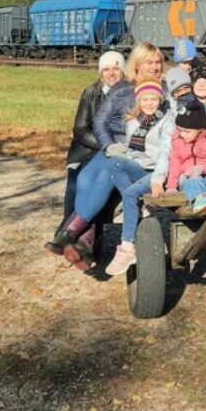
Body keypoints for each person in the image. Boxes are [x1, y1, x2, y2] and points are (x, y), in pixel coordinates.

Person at [47, 42, 164, 268]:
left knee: (103, 176)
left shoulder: (162, 90)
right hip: (113, 147)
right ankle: (85, 242)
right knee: (83, 178)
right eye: (149, 62)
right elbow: (99, 121)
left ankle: (70, 233)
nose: (155, 66)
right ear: (137, 65)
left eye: (158, 62)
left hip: (137, 151)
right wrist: (108, 145)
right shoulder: (121, 88)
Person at [103, 79, 175, 276]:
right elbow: (133, 151)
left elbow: (165, 153)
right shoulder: (133, 120)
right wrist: (121, 151)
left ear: (160, 100)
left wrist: (158, 178)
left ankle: (127, 248)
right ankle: (137, 206)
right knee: (113, 162)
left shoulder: (167, 120)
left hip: (158, 172)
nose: (150, 103)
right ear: (139, 101)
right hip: (140, 168)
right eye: (145, 99)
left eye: (154, 99)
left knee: (129, 194)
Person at [58, 50, 125, 225]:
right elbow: (80, 129)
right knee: (76, 184)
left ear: (123, 71)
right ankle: (67, 227)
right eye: (106, 69)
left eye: (115, 69)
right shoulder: (90, 93)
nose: (111, 73)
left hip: (118, 150)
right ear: (100, 73)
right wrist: (105, 144)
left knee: (105, 186)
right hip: (87, 149)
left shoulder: (129, 93)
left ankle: (92, 232)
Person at [166, 99, 206, 215]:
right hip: (188, 177)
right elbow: (175, 164)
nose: (182, 134)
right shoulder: (178, 142)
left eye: (186, 131)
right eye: (180, 130)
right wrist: (171, 186)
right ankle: (201, 201)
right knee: (193, 179)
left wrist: (202, 168)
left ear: (200, 130)